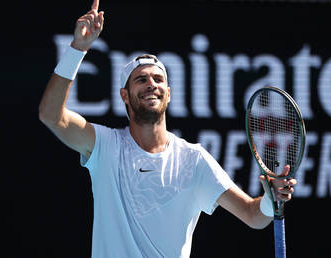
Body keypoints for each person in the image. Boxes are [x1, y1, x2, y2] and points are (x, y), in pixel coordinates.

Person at [39, 0, 297, 257]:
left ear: (169, 94)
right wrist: (77, 49)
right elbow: (51, 115)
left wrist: (268, 201)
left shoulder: (194, 159)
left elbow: (253, 216)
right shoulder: (105, 145)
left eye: (158, 79)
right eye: (141, 79)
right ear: (125, 96)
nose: (151, 84)